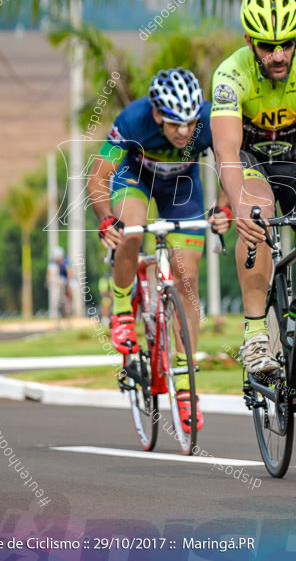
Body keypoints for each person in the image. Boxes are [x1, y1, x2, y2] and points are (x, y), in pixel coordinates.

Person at [210, 0, 296, 435]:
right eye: (268, 47)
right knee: (257, 215)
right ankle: (254, 334)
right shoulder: (230, 75)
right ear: (251, 42)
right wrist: (236, 202)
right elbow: (227, 153)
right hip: (251, 165)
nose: (279, 56)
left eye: (286, 44)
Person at [88, 67, 223, 435]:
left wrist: (225, 206)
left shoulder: (209, 121)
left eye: (190, 123)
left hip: (182, 189)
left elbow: (231, 165)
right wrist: (106, 220)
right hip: (135, 179)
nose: (184, 132)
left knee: (187, 278)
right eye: (175, 123)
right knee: (131, 231)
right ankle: (120, 308)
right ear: (158, 114)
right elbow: (97, 177)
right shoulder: (133, 120)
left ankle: (185, 383)